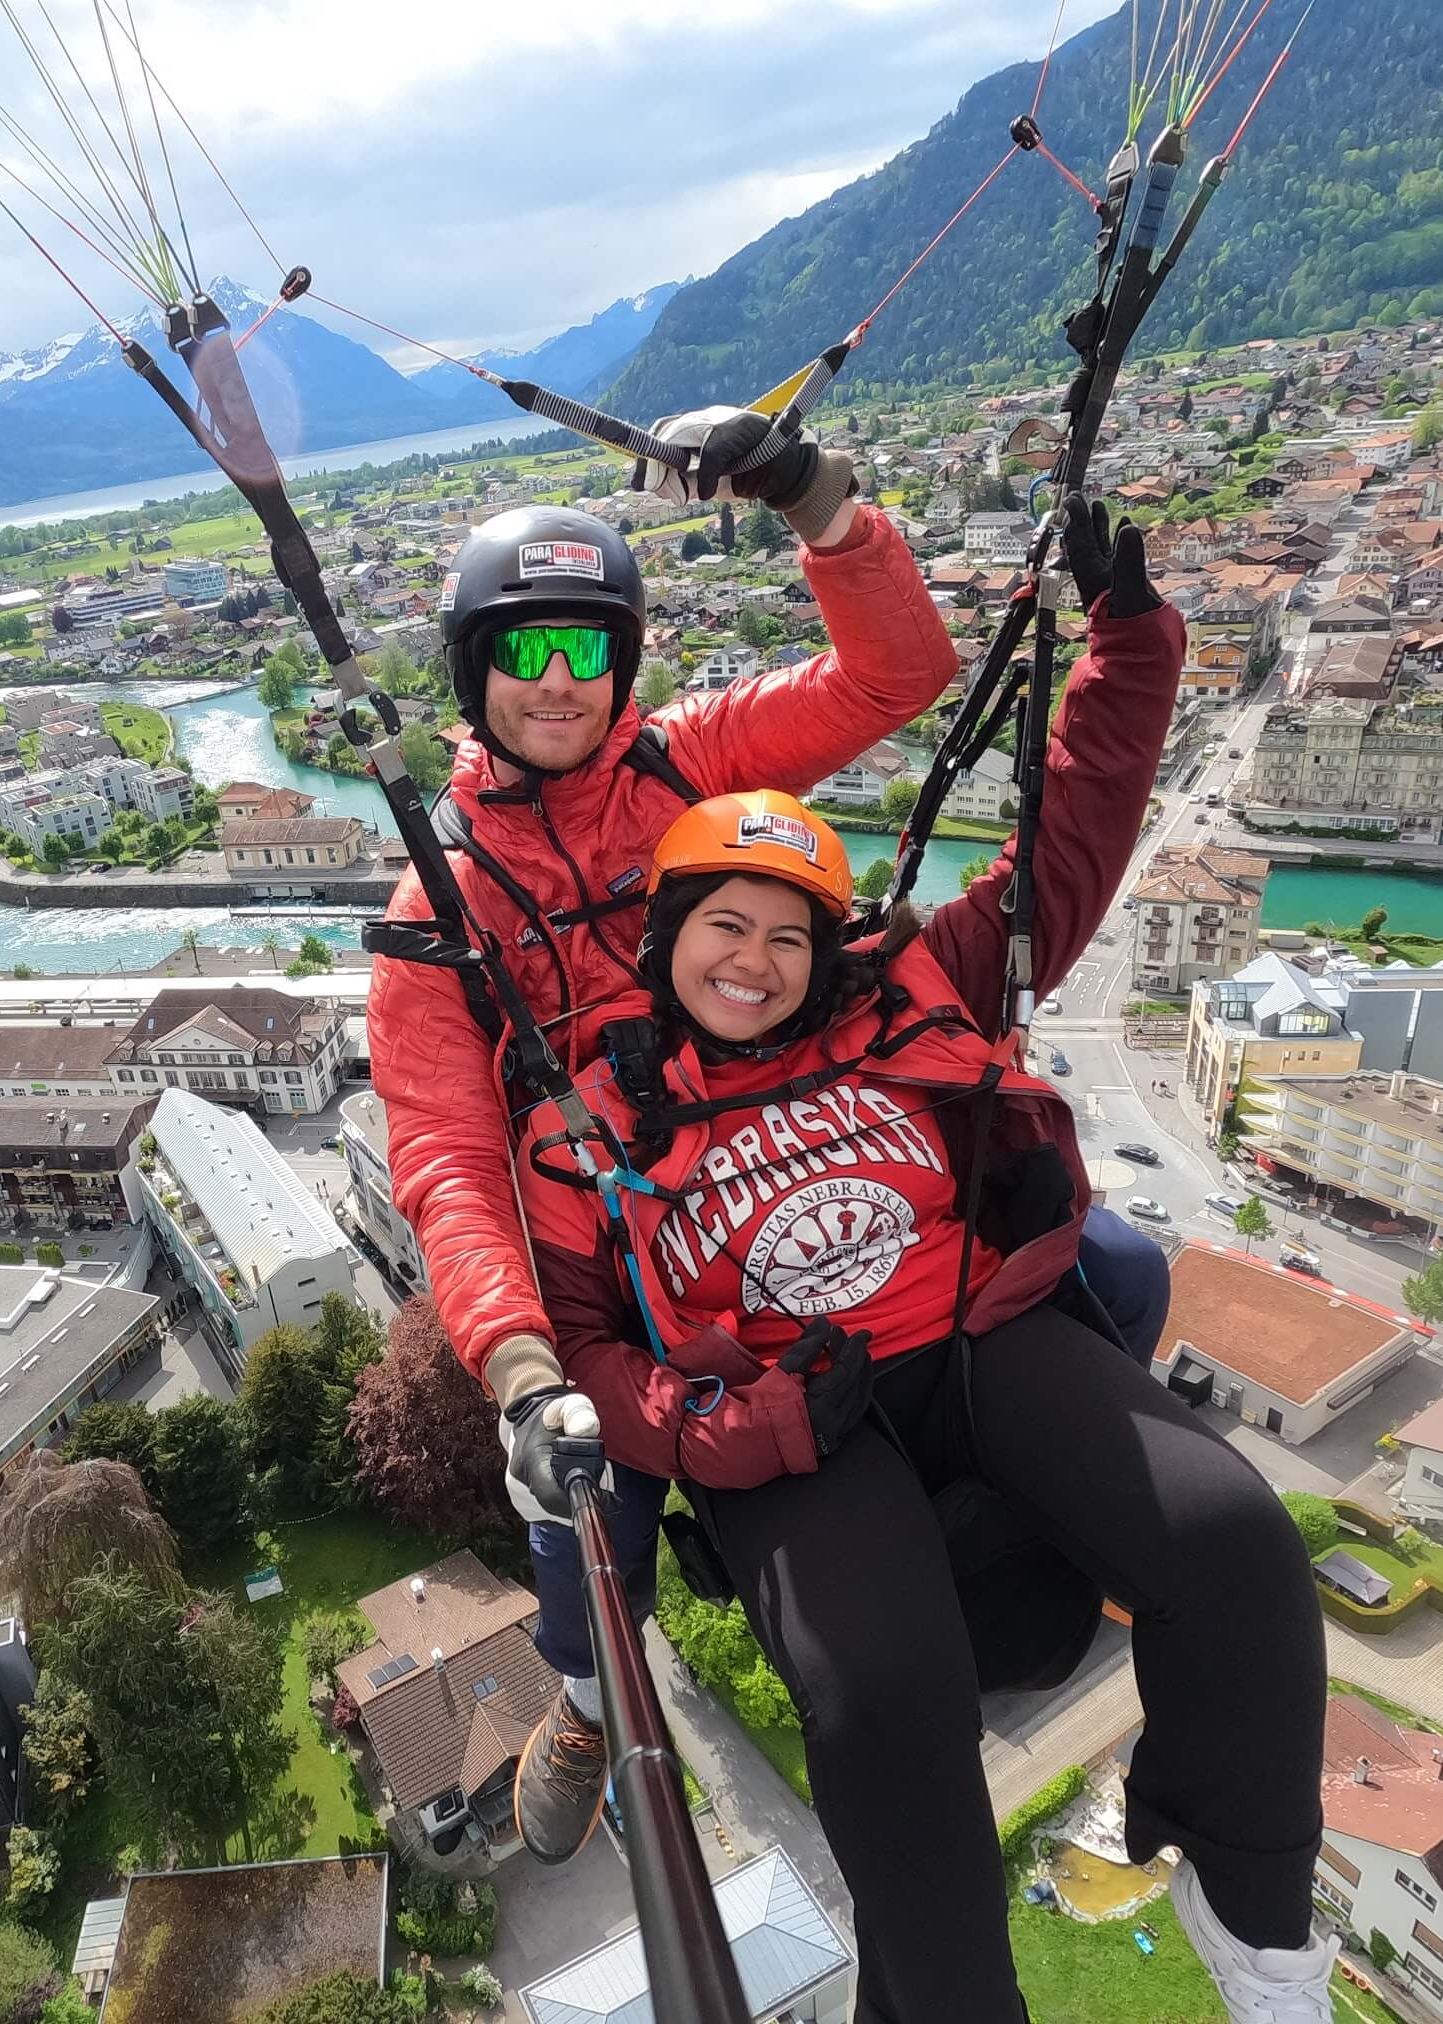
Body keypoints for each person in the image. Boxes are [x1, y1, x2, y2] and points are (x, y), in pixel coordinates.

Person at [500, 504, 1333, 2021]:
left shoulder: (916, 991)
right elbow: (584, 1346)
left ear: (833, 950)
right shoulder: (591, 1126)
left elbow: (1071, 836)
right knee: (879, 1701)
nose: (752, 964)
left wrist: (1131, 648)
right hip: (787, 1416)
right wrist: (714, 1430)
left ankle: (1253, 1905)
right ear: (668, 936)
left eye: (787, 939)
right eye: (720, 928)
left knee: (1232, 1544)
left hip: (971, 1339)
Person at [366, 411, 1173, 1856]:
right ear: (468, 672)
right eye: (522, 653)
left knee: (1119, 1273)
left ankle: (1034, 1514)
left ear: (622, 662)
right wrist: (517, 1350)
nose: (557, 685)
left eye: (584, 650)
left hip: (786, 1130)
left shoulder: (690, 761)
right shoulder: (446, 908)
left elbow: (896, 675)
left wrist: (815, 502)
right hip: (612, 1221)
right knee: (586, 1481)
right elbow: (443, 1150)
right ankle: (584, 1690)